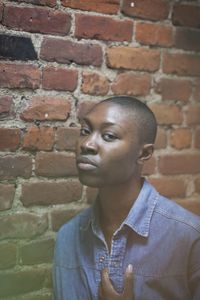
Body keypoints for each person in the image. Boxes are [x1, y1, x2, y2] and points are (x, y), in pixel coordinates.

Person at [53, 96, 200, 300]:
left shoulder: (189, 237)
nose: (87, 144)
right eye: (85, 131)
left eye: (109, 136)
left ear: (144, 153)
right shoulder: (68, 237)